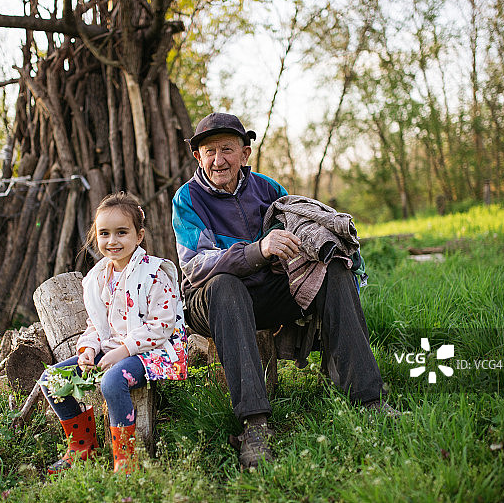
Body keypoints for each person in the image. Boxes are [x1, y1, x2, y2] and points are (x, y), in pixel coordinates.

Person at [171, 112, 396, 469]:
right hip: (212, 300)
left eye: (227, 149)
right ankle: (254, 424)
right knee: (225, 284)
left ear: (245, 153)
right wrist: (258, 250)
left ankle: (369, 400)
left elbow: (297, 229)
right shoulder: (188, 199)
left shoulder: (269, 189)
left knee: (334, 269)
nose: (218, 160)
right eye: (209, 151)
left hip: (270, 293)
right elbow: (196, 266)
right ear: (197, 156)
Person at [39, 192, 188, 475]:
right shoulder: (97, 277)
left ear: (139, 235)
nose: (112, 241)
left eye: (122, 232)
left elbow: (162, 326)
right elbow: (97, 324)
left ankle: (126, 457)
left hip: (154, 352)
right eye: (104, 233)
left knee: (111, 381)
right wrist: (88, 350)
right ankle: (82, 446)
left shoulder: (154, 273)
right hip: (112, 349)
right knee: (52, 378)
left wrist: (122, 351)